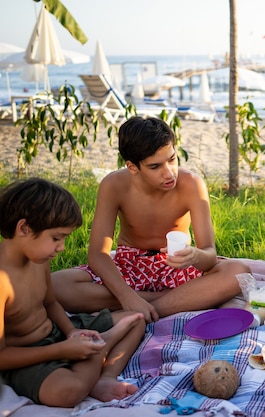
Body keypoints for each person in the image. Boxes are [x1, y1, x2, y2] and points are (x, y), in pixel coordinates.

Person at [52, 117, 250, 323]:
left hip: (178, 267)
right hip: (130, 266)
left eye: (172, 159)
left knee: (238, 272)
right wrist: (126, 295)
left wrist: (194, 256)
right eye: (155, 167)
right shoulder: (114, 185)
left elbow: (209, 255)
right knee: (57, 284)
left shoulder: (191, 184)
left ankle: (142, 310)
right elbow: (97, 254)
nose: (169, 173)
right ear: (133, 167)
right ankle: (174, 301)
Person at [0, 178, 145, 408]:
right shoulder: (2, 281)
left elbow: (51, 304)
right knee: (68, 392)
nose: (62, 248)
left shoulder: (38, 260)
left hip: (58, 333)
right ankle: (99, 351)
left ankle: (104, 376)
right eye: (56, 238)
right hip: (27, 357)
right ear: (24, 228)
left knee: (135, 319)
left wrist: (72, 332)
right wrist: (62, 350)